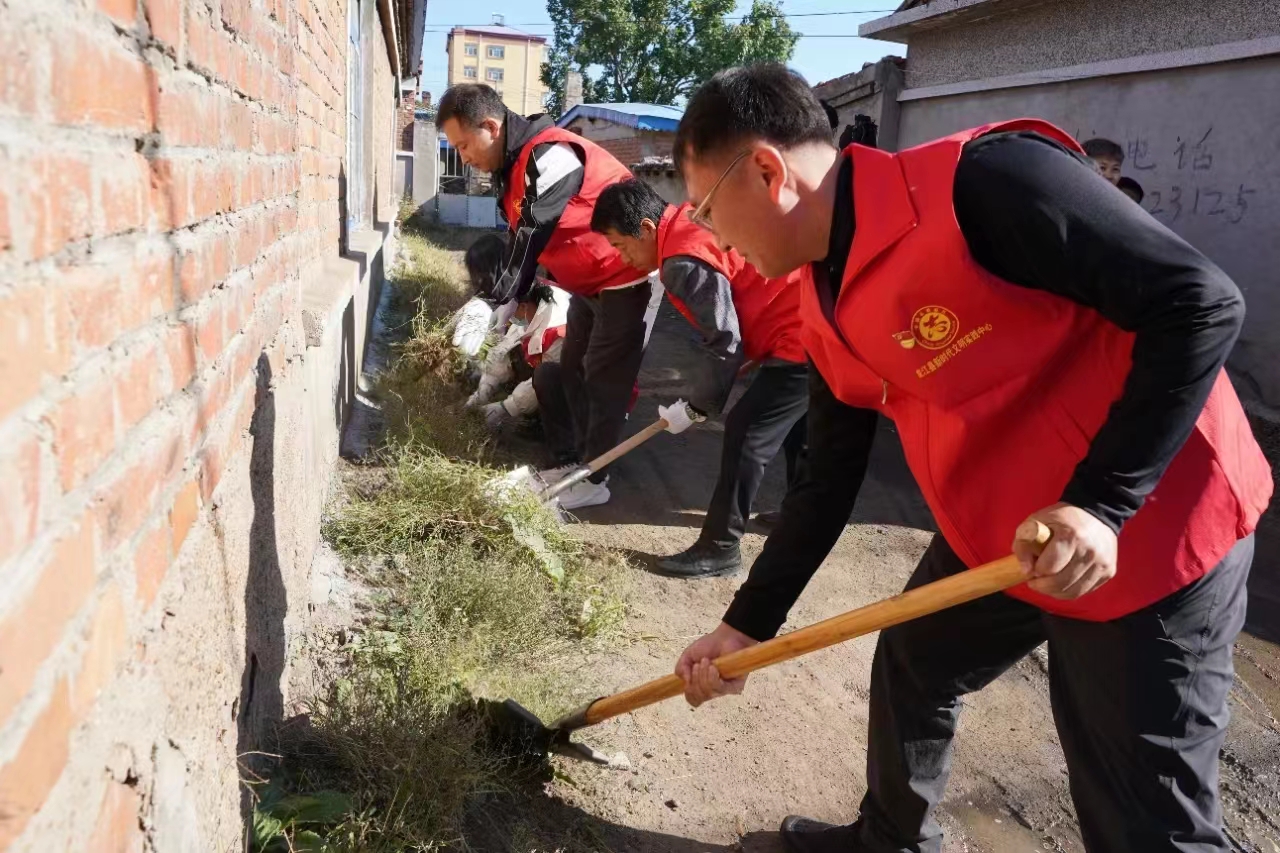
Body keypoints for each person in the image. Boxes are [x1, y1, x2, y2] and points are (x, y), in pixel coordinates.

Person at [670, 64, 1271, 853]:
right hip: (1012, 529)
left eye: (708, 210)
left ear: (766, 169)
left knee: (1144, 817)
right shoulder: (821, 297)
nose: (714, 239)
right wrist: (747, 624)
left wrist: (1102, 503)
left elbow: (1200, 301)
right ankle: (891, 837)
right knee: (917, 661)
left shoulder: (982, 183)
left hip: (1150, 525)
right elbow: (826, 481)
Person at [437, 83, 656, 510]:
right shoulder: (512, 170)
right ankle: (573, 463)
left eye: (464, 145)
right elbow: (519, 234)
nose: (463, 157)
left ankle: (594, 479)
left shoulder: (551, 152)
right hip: (588, 284)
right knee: (570, 368)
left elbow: (535, 227)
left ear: (491, 126)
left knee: (605, 379)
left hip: (630, 275)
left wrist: (505, 296)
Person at [591, 178, 808, 577]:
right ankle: (803, 515)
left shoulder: (681, 260)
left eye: (621, 246)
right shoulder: (688, 222)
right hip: (804, 316)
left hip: (799, 330)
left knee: (747, 432)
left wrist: (697, 405)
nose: (624, 259)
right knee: (800, 429)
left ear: (645, 228)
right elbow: (731, 335)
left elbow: (725, 340)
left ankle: (720, 547)